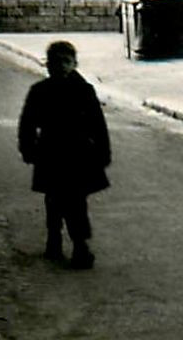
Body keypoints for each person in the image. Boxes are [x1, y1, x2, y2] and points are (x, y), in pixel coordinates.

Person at [17, 41, 110, 269]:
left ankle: (79, 245)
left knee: (76, 201)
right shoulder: (39, 91)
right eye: (55, 62)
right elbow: (27, 123)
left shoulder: (84, 90)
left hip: (78, 154)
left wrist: (102, 151)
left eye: (66, 62)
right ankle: (54, 237)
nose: (61, 67)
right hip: (50, 152)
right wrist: (28, 148)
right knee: (54, 199)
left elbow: (98, 124)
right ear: (47, 65)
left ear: (75, 63)